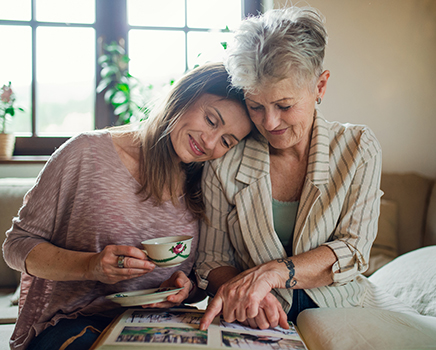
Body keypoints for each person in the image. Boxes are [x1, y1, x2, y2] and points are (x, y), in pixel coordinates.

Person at [195, 7, 417, 331]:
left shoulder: (358, 148)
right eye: (255, 106)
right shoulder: (225, 160)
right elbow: (211, 260)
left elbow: (353, 250)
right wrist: (251, 295)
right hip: (256, 319)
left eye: (284, 105)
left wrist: (273, 274)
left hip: (343, 309)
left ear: (320, 86)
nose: (269, 123)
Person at [2, 62, 252, 350]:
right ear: (185, 96)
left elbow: (197, 280)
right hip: (72, 324)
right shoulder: (86, 154)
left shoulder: (206, 184)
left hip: (162, 326)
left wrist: (186, 288)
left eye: (226, 141)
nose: (209, 142)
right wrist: (91, 266)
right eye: (210, 120)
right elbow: (16, 247)